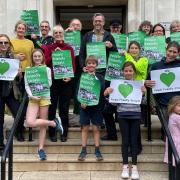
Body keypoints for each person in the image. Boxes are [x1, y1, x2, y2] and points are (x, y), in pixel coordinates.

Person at [104, 61, 145, 179]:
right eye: (126, 70)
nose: (128, 73)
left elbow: (143, 103)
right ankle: (125, 166)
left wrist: (143, 93)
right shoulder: (118, 84)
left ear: (134, 72)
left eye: (130, 71)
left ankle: (135, 167)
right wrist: (108, 94)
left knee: (134, 141)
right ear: (123, 72)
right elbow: (113, 103)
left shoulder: (139, 84)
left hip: (136, 115)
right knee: (125, 141)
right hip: (122, 115)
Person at [24, 49, 63, 160]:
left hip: (44, 96)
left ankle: (41, 149)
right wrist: (32, 95)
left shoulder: (47, 69)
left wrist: (40, 87)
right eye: (35, 56)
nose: (37, 58)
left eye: (39, 56)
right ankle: (53, 123)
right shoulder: (28, 69)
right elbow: (27, 85)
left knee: (42, 125)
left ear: (42, 57)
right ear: (32, 58)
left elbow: (49, 83)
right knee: (30, 122)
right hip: (33, 98)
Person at [41, 25, 75, 142]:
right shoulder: (48, 47)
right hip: (53, 82)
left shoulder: (69, 48)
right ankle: (52, 132)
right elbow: (45, 62)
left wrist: (70, 77)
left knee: (64, 108)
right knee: (52, 108)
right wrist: (53, 54)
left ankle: (64, 132)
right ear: (53, 34)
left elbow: (73, 65)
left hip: (66, 82)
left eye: (60, 32)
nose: (58, 34)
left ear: (63, 34)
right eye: (56, 33)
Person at [145, 41, 180, 138]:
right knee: (166, 127)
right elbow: (147, 81)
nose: (171, 54)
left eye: (175, 52)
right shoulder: (156, 66)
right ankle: (166, 142)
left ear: (178, 53)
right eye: (170, 51)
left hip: (178, 102)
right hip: (162, 102)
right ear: (166, 50)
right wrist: (146, 83)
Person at [11, 20, 34, 141]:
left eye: (23, 28)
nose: (21, 30)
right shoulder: (11, 42)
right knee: (17, 104)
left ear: (25, 30)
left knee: (26, 104)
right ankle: (18, 131)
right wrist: (16, 57)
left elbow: (34, 57)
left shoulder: (30, 42)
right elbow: (7, 56)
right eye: (19, 28)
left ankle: (21, 128)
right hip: (15, 75)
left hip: (28, 74)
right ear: (16, 29)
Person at [78, 55, 104, 161]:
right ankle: (83, 149)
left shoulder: (100, 77)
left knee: (96, 128)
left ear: (96, 65)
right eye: (89, 63)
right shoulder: (83, 76)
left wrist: (95, 78)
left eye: (93, 63)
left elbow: (102, 89)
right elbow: (78, 90)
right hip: (84, 106)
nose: (91, 65)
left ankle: (97, 149)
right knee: (84, 127)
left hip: (97, 106)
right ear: (86, 65)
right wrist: (81, 101)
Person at [0, 34, 21, 151]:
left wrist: (19, 74)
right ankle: (0, 145)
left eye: (5, 42)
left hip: (10, 91)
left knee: (19, 113)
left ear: (9, 44)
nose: (3, 45)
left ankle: (18, 133)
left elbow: (18, 79)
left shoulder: (13, 57)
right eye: (1, 42)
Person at [65, 18, 82, 116]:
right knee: (66, 93)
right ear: (70, 26)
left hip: (79, 69)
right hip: (67, 69)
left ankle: (77, 113)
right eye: (73, 24)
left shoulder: (84, 37)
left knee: (78, 92)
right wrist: (65, 33)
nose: (75, 27)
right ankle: (65, 116)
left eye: (78, 25)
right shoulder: (64, 35)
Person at [164, 96, 180, 167]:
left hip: (174, 140)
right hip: (177, 142)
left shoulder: (172, 116)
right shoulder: (177, 117)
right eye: (179, 106)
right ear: (172, 106)